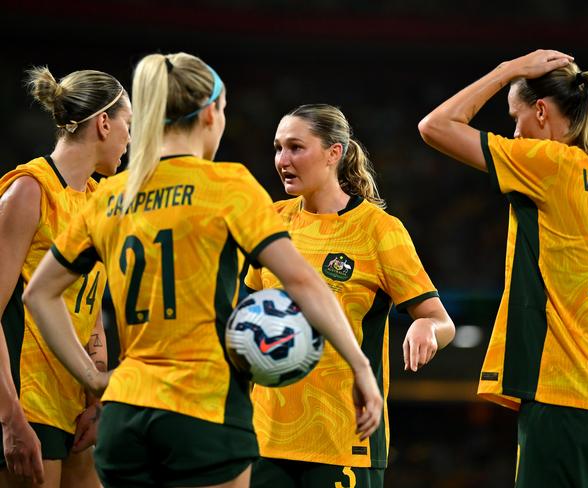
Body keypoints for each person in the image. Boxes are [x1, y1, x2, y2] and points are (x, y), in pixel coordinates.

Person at [21, 53, 382, 488]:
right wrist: (360, 367)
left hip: (124, 415)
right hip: (203, 412)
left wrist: (96, 378)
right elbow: (302, 281)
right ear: (211, 112)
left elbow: (38, 294)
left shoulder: (111, 195)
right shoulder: (227, 188)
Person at [417, 49, 588, 487]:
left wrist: (508, 71)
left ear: (541, 110)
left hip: (563, 397)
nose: (515, 132)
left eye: (515, 116)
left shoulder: (549, 163)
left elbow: (435, 127)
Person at [245, 104, 455, 488]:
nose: (282, 160)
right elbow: (244, 320)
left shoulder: (379, 230)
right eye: (278, 148)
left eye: (295, 147)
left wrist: (427, 326)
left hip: (345, 439)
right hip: (264, 438)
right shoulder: (269, 220)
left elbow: (442, 321)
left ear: (334, 153)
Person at [0, 66, 130, 487]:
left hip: (73, 407)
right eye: (128, 125)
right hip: (25, 404)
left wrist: (95, 399)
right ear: (104, 123)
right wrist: (10, 420)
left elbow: (89, 308)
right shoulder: (28, 190)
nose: (130, 140)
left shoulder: (98, 202)